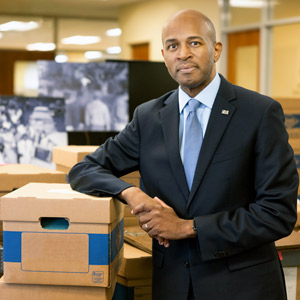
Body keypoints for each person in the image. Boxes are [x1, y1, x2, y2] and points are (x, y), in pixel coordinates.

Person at [68, 9, 299, 300]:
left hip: (243, 286)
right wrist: (132, 194)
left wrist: (188, 227)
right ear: (164, 55)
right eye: (173, 46)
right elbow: (84, 170)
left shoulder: (259, 113)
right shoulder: (149, 117)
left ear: (216, 50)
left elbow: (278, 213)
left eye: (195, 43)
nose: (183, 54)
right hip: (173, 286)